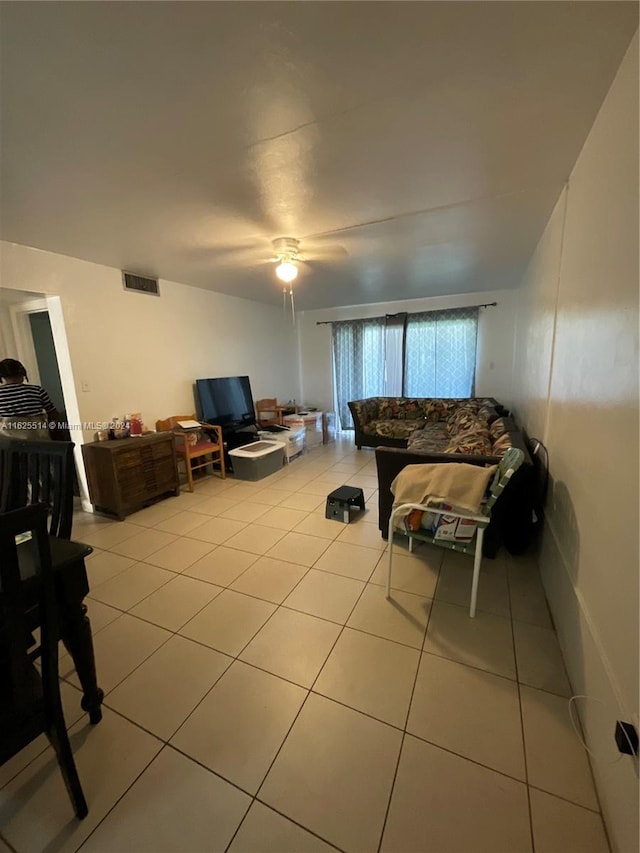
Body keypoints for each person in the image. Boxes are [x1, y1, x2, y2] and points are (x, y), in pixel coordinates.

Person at [0, 358, 59, 439]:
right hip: (39, 437)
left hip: (10, 442)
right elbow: (53, 413)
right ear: (22, 373)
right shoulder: (37, 390)